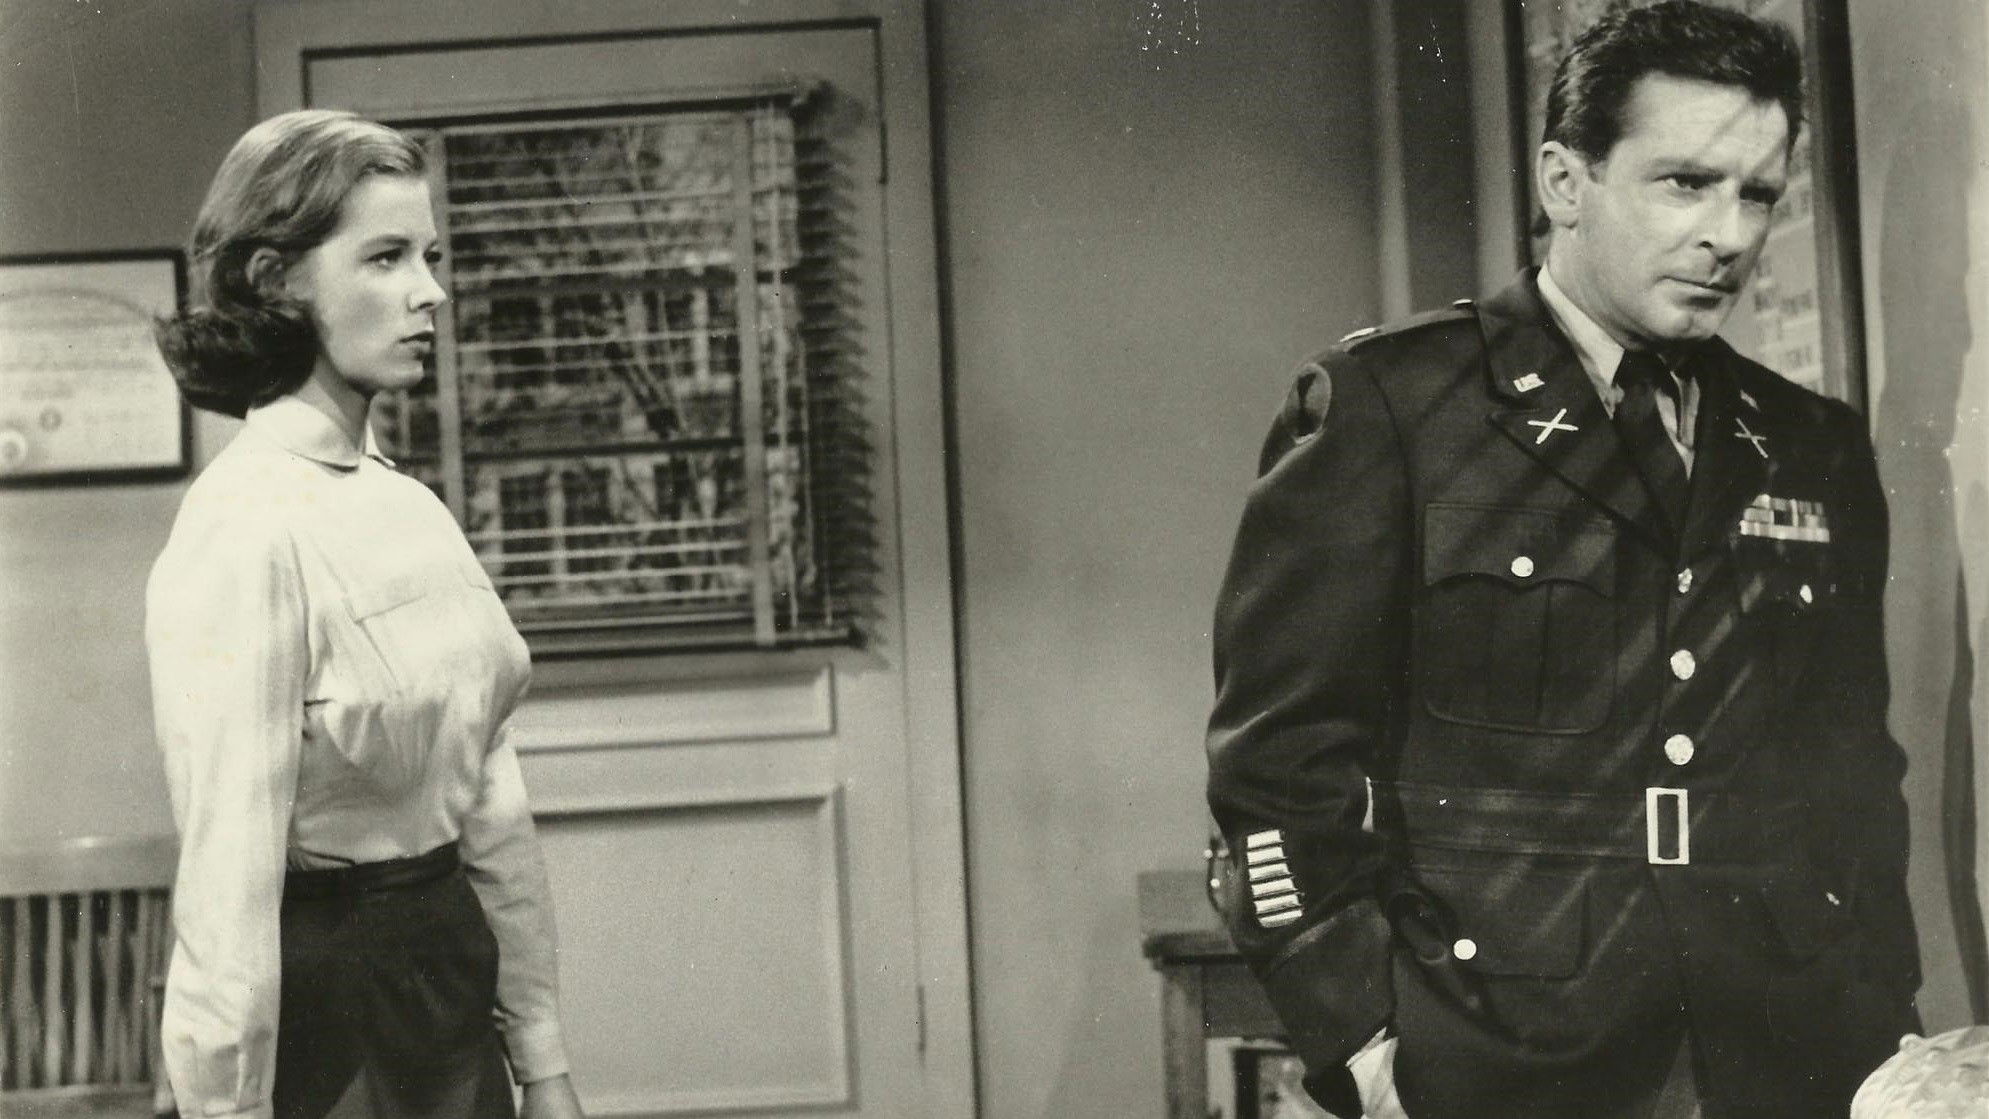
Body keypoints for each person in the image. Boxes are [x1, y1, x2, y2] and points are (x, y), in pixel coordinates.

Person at [1204, 3, 1920, 1117]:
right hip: (1499, 1056)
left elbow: (1851, 772)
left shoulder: (1808, 443)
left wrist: (1885, 1019)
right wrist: (1365, 1046)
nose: (1729, 234)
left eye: (1757, 194)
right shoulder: (1394, 407)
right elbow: (1276, 769)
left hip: (1781, 1054)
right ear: (1564, 183)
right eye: (1685, 183)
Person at [146, 109, 584, 1119]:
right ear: (276, 280)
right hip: (327, 1022)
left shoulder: (410, 509)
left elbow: (491, 804)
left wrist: (543, 1059)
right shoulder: (244, 527)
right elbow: (226, 877)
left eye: (429, 257)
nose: (430, 291)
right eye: (385, 258)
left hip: (450, 986)